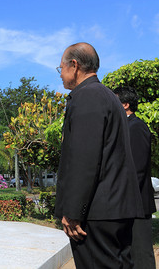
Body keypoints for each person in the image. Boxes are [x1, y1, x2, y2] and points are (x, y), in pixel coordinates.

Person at [54, 42, 144, 268]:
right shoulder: (108, 96)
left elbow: (85, 159)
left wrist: (73, 211)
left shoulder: (87, 97)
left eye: (61, 68)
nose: (61, 75)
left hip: (97, 211)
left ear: (74, 65)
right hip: (115, 206)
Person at [113, 86, 156, 269]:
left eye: (114, 100)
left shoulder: (136, 126)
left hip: (136, 203)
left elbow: (137, 169)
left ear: (125, 104)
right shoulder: (124, 127)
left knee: (141, 257)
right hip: (128, 205)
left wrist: (122, 196)